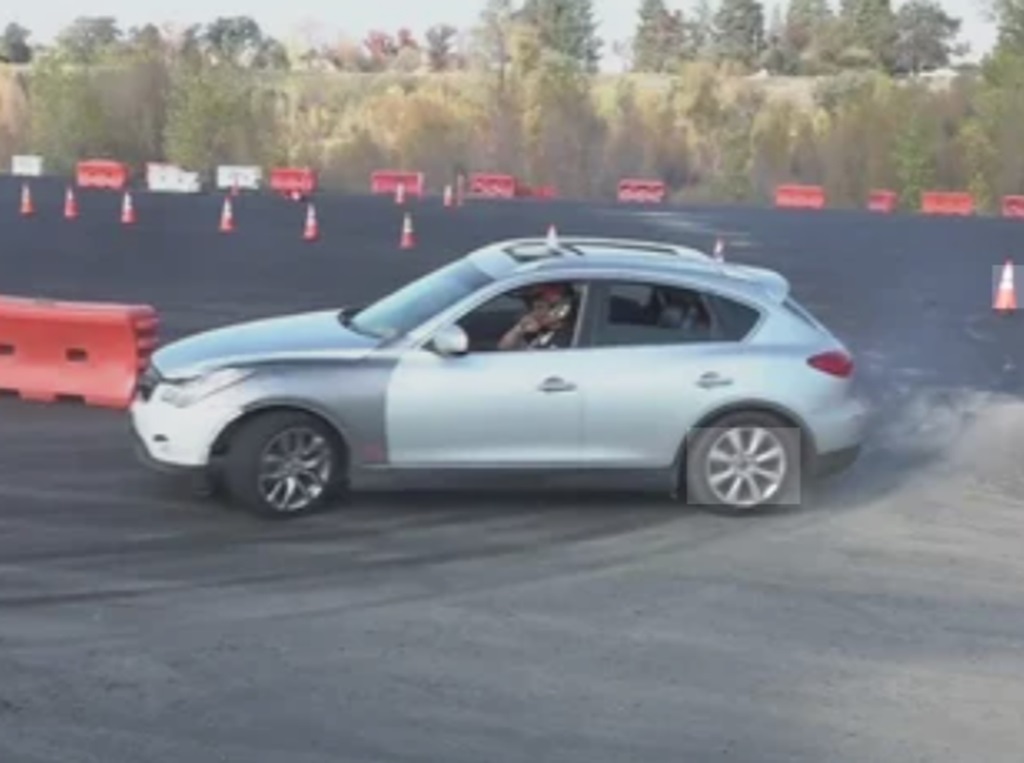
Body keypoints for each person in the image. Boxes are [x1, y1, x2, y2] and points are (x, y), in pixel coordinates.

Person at [497, 283, 575, 351]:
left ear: (559, 310)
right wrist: (519, 328)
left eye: (540, 308)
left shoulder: (570, 337)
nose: (535, 313)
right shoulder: (537, 331)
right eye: (533, 308)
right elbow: (504, 348)